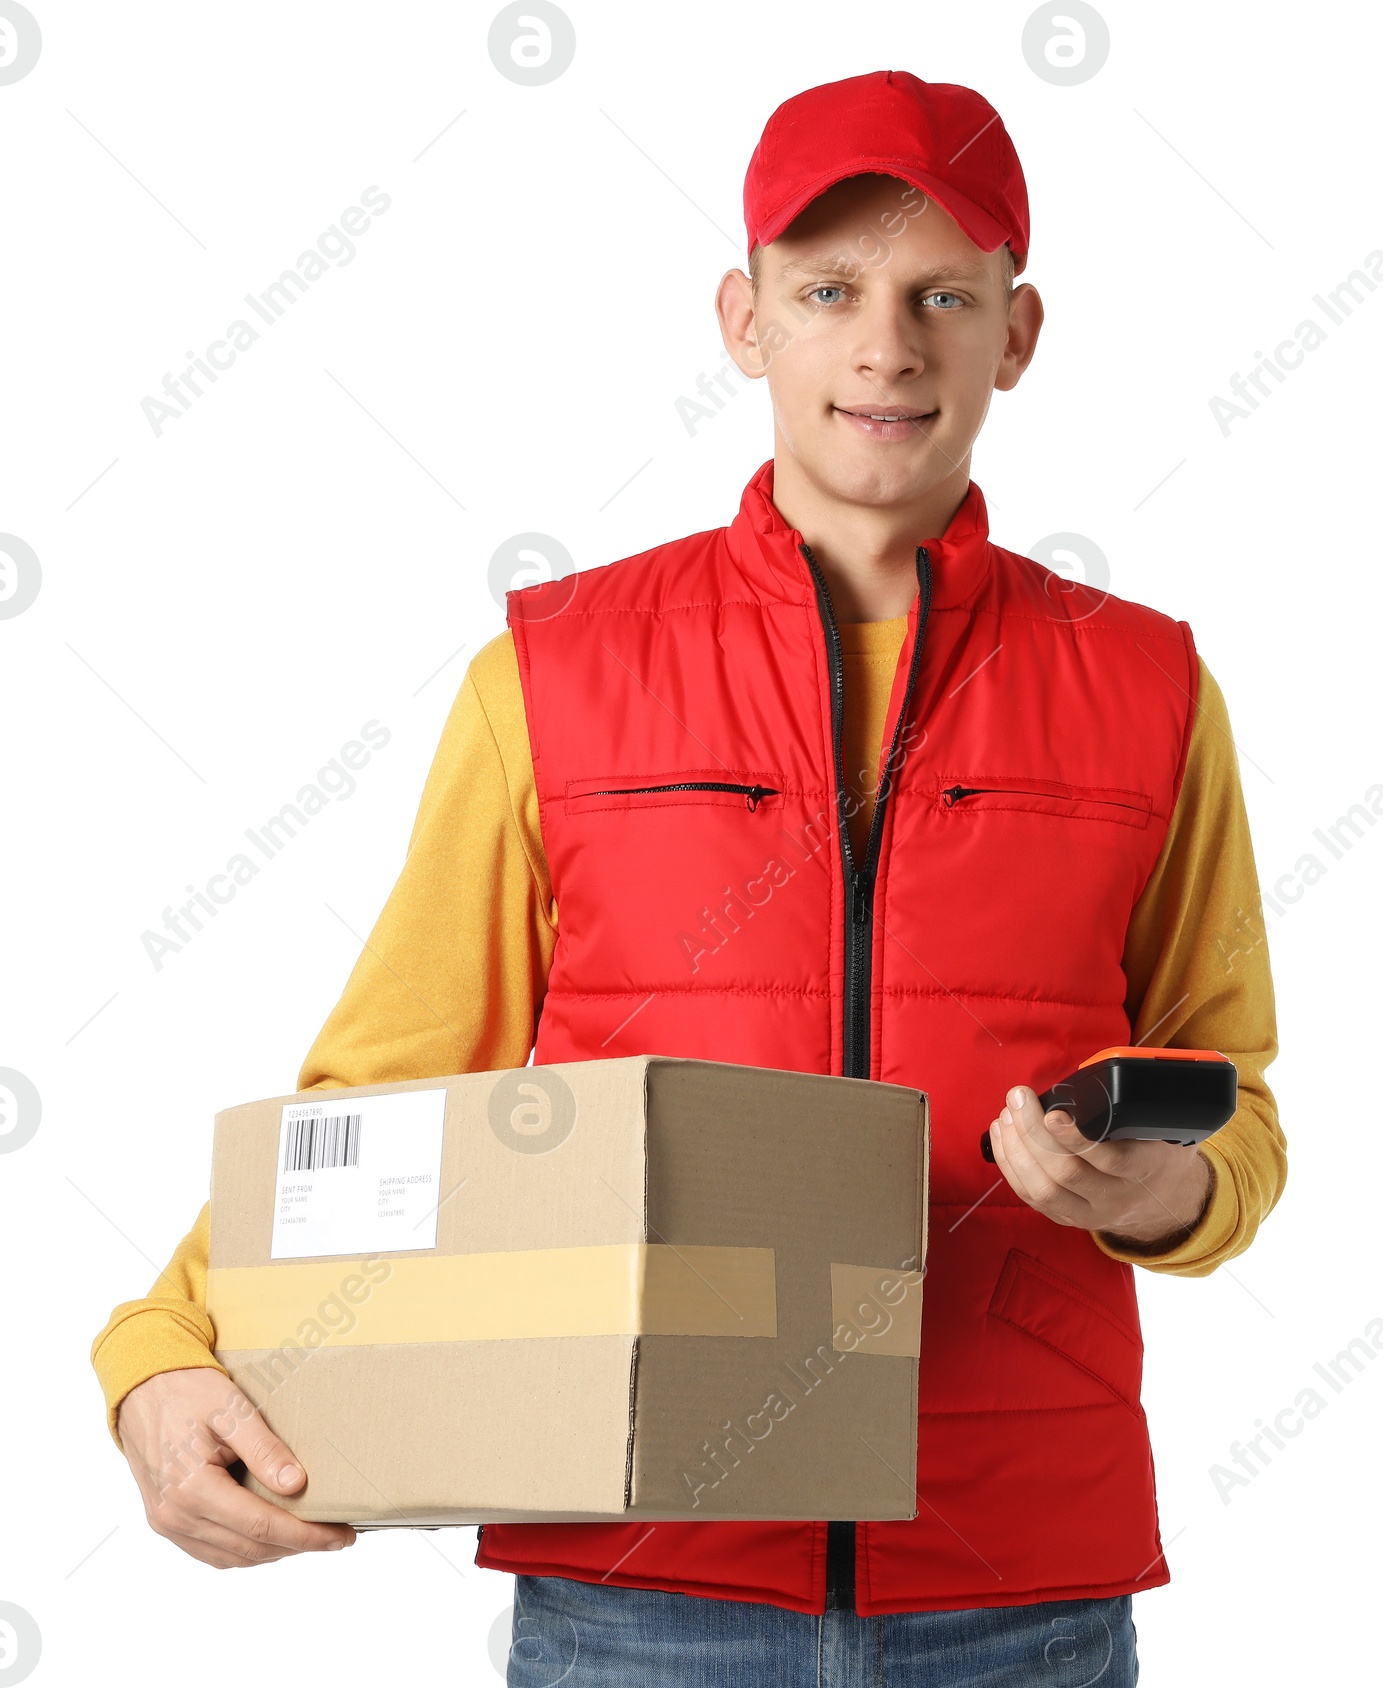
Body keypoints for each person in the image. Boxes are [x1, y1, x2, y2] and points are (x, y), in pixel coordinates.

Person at [92, 69, 1287, 1687]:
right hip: (645, 1585)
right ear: (745, 321)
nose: (886, 346)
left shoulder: (1147, 689)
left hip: (1020, 1588)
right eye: (828, 292)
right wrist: (160, 1351)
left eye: (945, 294)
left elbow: (1235, 1097)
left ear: (1018, 334)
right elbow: (384, 1094)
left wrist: (1177, 1194)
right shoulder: (556, 676)